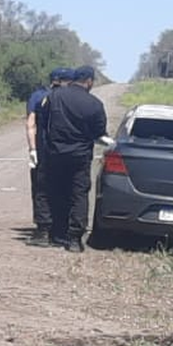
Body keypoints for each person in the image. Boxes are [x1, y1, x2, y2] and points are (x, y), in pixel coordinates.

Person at [39, 65, 108, 252]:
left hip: (55, 153)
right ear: (89, 81)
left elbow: (43, 122)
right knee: (79, 194)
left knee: (57, 192)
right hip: (80, 156)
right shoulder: (95, 104)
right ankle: (75, 239)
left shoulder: (54, 96)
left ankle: (57, 233)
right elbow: (99, 133)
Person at [25, 67, 72, 245]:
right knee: (64, 189)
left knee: (41, 189)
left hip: (44, 149)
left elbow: (30, 124)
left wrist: (32, 149)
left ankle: (43, 229)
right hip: (66, 151)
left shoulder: (38, 97)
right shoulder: (70, 98)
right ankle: (61, 230)